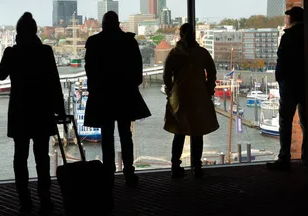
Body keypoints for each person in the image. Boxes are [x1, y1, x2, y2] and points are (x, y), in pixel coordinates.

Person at [0, 12, 65, 213]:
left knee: (20, 156)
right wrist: (59, 110)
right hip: (42, 110)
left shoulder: (12, 53)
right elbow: (54, 82)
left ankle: (24, 199)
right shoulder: (45, 52)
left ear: (18, 32)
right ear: (35, 31)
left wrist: (7, 54)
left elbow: (0, 75)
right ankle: (45, 197)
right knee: (42, 157)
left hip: (20, 110)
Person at [83, 11, 151, 188]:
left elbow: (90, 70)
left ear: (104, 25)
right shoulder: (129, 41)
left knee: (107, 135)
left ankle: (108, 173)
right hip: (124, 94)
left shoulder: (94, 42)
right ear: (118, 24)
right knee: (125, 134)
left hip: (103, 95)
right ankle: (129, 171)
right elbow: (137, 70)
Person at [163, 23, 219, 179]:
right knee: (197, 133)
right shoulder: (202, 53)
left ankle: (175, 166)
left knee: (179, 133)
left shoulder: (175, 54)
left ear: (180, 36)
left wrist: (170, 91)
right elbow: (212, 71)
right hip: (198, 97)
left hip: (179, 98)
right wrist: (209, 88)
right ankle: (197, 166)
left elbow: (166, 75)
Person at [267, 6, 307, 170]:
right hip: (306, 83)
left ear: (291, 19)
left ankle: (284, 158)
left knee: (285, 123)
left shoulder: (288, 37)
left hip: (290, 84)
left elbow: (281, 60)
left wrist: (280, 78)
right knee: (306, 123)